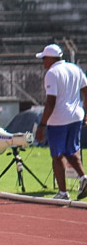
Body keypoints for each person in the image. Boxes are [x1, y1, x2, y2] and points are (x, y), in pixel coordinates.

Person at [33, 44, 87, 200]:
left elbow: (51, 102)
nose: (43, 62)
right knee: (71, 151)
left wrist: (42, 125)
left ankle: (63, 193)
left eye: (44, 58)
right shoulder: (75, 69)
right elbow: (86, 92)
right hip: (76, 116)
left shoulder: (52, 73)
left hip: (58, 119)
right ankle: (84, 178)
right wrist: (85, 113)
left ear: (50, 58)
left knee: (57, 155)